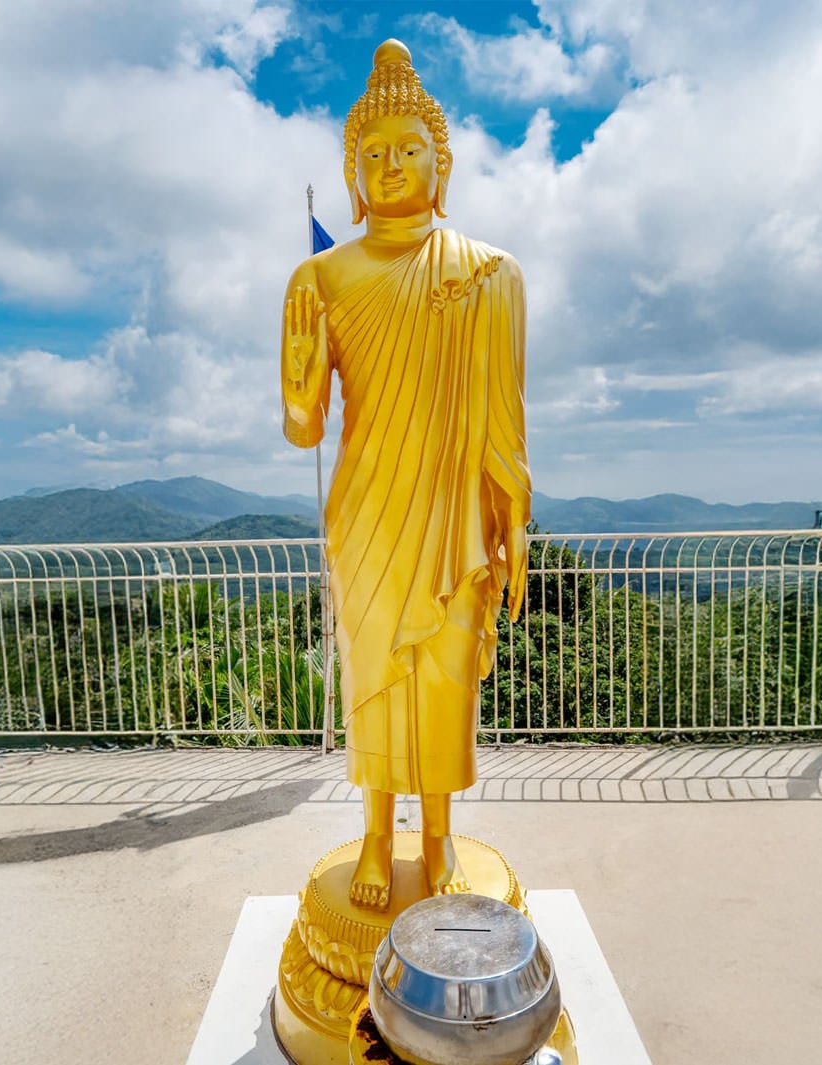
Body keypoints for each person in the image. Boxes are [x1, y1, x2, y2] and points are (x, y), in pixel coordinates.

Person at [280, 39, 530, 911]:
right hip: (368, 509)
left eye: (408, 149)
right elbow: (301, 427)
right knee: (376, 671)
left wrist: (512, 524)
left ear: (442, 163)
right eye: (373, 154)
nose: (391, 166)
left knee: (444, 674)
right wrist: (305, 370)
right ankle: (379, 836)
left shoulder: (489, 275)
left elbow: (506, 415)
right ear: (353, 171)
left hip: (454, 513)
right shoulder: (320, 276)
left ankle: (440, 832)